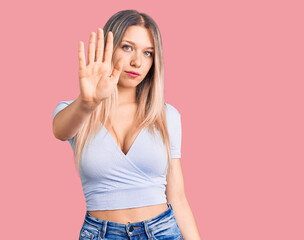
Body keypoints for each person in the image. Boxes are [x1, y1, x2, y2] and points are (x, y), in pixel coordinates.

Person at [52, 9, 201, 240]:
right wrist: (87, 102)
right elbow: (60, 131)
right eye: (127, 47)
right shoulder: (77, 111)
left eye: (148, 53)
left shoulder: (167, 116)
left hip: (162, 232)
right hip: (100, 234)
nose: (137, 62)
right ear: (108, 50)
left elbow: (177, 197)